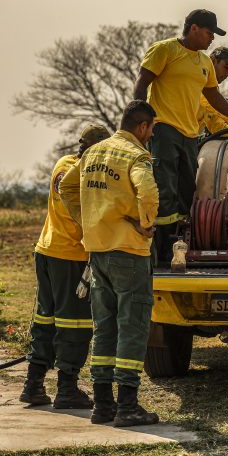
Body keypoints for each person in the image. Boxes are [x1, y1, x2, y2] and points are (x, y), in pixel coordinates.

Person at [132, 9, 228, 262]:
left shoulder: (204, 63)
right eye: (208, 32)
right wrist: (139, 121)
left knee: (186, 193)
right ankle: (158, 252)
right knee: (165, 191)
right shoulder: (165, 50)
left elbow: (215, 98)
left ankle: (179, 250)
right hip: (164, 130)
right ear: (193, 28)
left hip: (190, 136)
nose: (211, 39)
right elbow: (142, 82)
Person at [60, 100, 160, 427]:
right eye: (151, 130)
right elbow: (147, 191)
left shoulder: (93, 152)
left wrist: (85, 220)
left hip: (97, 251)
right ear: (143, 127)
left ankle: (103, 404)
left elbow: (66, 186)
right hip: (128, 252)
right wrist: (146, 223)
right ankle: (128, 406)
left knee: (104, 326)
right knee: (132, 325)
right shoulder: (136, 155)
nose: (150, 136)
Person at [19, 124, 110, 409]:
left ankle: (33, 384)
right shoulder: (85, 173)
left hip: (46, 250)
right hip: (71, 256)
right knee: (76, 322)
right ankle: (67, 388)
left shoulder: (63, 163)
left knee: (45, 319)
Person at [197, 46, 228, 135]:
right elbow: (212, 105)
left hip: (187, 142)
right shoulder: (198, 78)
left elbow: (217, 125)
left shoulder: (212, 92)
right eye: (226, 67)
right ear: (212, 61)